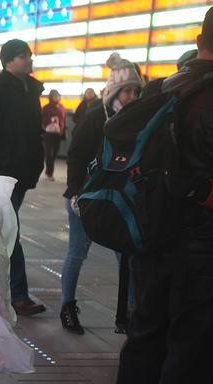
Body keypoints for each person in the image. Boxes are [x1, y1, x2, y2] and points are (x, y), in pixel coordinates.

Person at [100, 1, 213, 384]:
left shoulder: (163, 88)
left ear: (201, 41)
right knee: (195, 357)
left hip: (153, 239)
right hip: (212, 250)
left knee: (146, 340)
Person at [60, 53, 144, 335]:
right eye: (127, 90)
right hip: (86, 197)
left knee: (126, 255)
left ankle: (129, 313)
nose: (132, 95)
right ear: (115, 91)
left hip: (121, 198)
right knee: (77, 252)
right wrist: (74, 192)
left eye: (135, 90)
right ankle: (68, 306)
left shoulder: (139, 119)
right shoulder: (98, 116)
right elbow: (76, 154)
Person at [0, 39, 45, 317]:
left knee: (2, 233)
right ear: (9, 61)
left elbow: (33, 133)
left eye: (29, 55)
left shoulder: (30, 91)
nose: (29, 60)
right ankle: (17, 295)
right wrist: (8, 161)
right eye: (23, 56)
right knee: (10, 233)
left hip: (21, 175)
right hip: (0, 175)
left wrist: (33, 165)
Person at [41, 89, 66, 181]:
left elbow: (64, 120)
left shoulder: (62, 107)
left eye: (57, 95)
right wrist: (50, 119)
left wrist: (63, 130)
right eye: (54, 96)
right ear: (50, 97)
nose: (56, 97)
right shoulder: (46, 107)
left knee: (54, 153)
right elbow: (42, 119)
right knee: (49, 154)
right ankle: (50, 173)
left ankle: (48, 171)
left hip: (58, 133)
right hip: (48, 133)